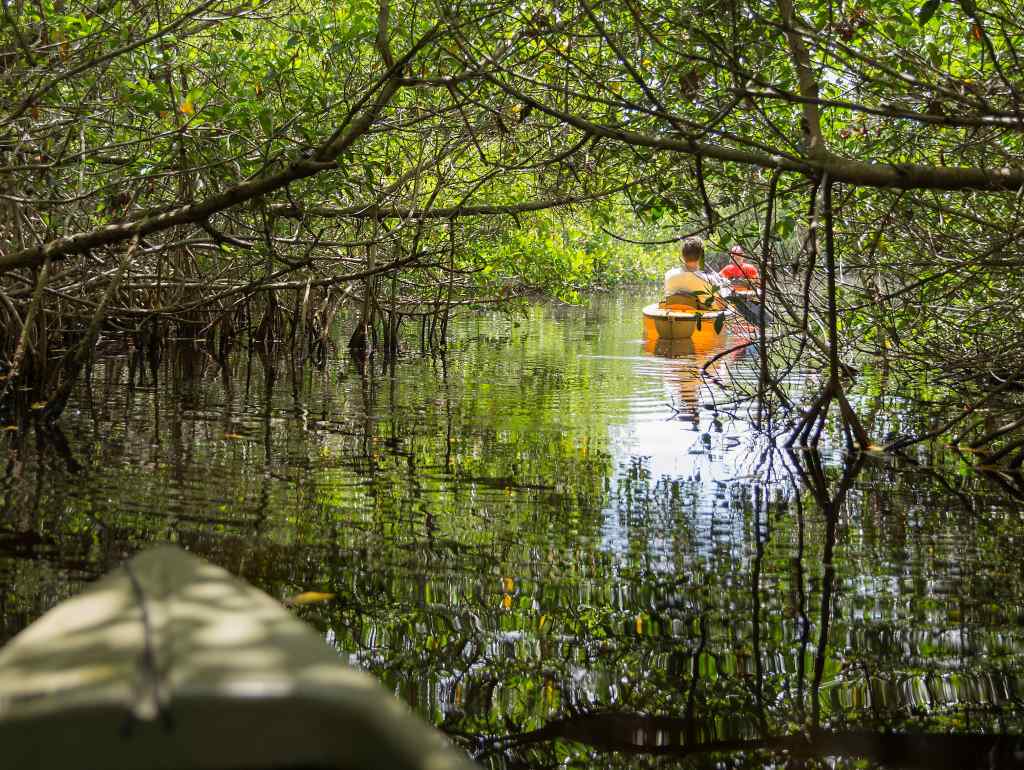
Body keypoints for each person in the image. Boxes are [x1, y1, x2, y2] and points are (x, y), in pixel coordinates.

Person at [662, 236, 724, 309]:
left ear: (682, 255)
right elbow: (722, 304)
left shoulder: (669, 275)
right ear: (701, 256)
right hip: (700, 318)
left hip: (674, 317)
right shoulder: (709, 280)